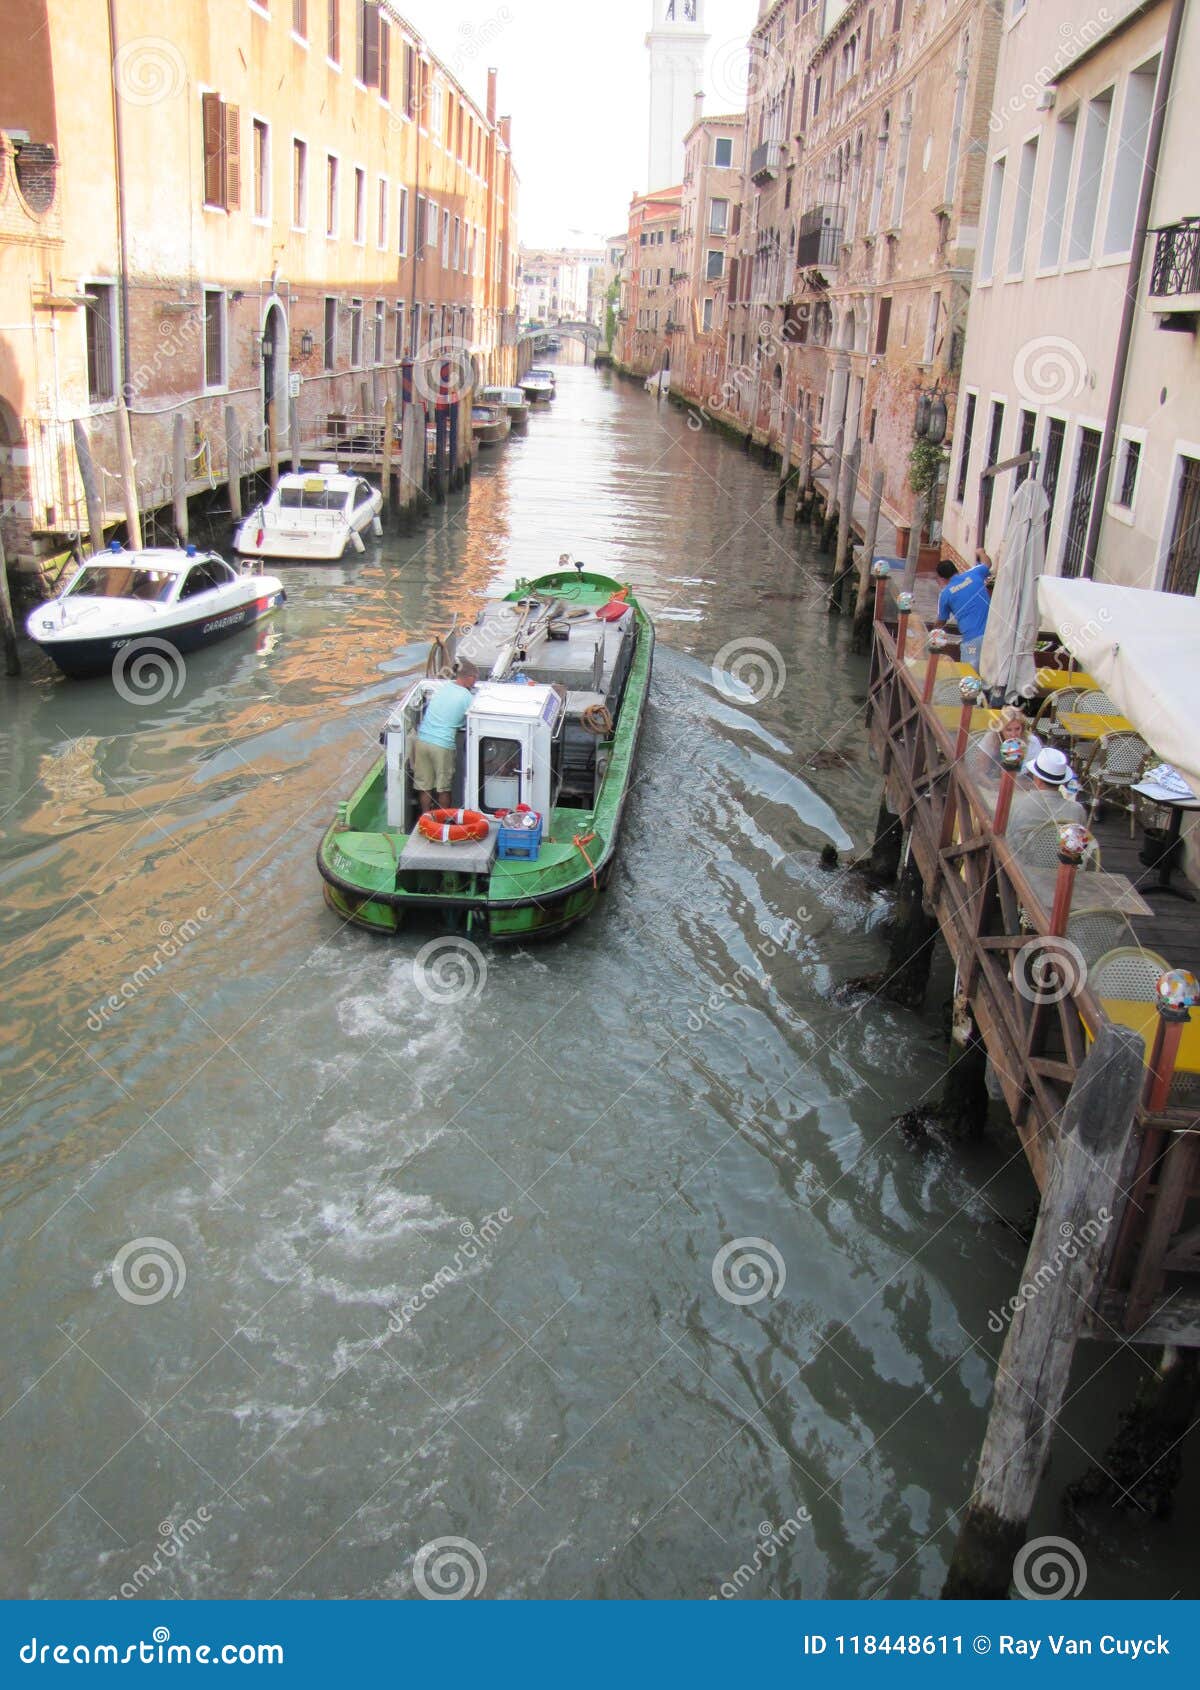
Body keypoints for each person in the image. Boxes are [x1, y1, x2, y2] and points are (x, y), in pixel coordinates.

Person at [412, 662, 477, 813]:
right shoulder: (467, 697)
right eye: (474, 678)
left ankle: (425, 818)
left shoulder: (443, 688)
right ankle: (442, 824)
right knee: (443, 788)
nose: (475, 682)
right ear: (468, 678)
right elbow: (471, 721)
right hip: (442, 745)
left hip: (422, 741)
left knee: (425, 786)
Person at [935, 550, 993, 672]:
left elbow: (940, 624)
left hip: (972, 641)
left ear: (942, 578)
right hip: (994, 635)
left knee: (969, 678)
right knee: (993, 676)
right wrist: (981, 552)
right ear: (955, 570)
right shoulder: (974, 574)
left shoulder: (945, 594)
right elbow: (987, 563)